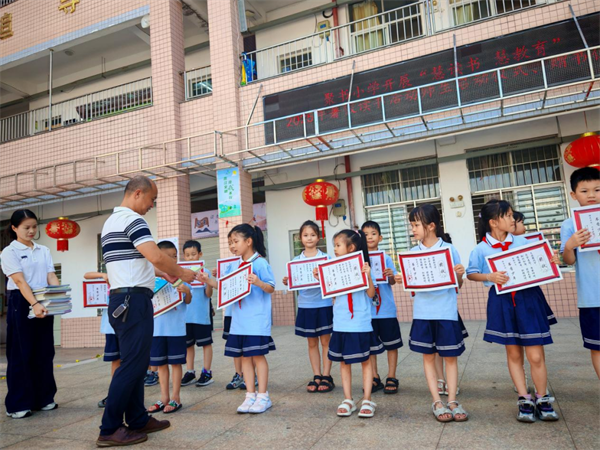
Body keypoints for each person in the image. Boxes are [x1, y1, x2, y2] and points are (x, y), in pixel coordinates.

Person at [98, 176, 196, 447]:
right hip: (133, 301)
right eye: (152, 199)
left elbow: (139, 264)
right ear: (138, 193)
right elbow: (155, 256)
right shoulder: (133, 220)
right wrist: (182, 272)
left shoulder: (111, 222)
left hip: (124, 299)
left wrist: (167, 275)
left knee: (137, 362)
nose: (152, 205)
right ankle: (109, 428)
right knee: (132, 365)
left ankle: (137, 418)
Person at [467, 199, 559, 423]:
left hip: (528, 300)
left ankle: (543, 397)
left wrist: (551, 260)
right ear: (493, 222)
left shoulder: (523, 241)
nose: (512, 219)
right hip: (502, 302)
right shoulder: (481, 248)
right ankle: (524, 398)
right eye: (507, 215)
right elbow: (471, 273)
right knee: (514, 354)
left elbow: (539, 264)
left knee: (535, 355)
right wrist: (489, 276)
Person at [394, 205, 468, 422]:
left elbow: (458, 285)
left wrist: (460, 275)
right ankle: (437, 401)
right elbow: (412, 285)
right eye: (412, 225)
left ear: (431, 225)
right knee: (428, 357)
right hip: (423, 313)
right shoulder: (412, 254)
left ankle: (452, 400)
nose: (413, 229)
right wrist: (402, 279)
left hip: (446, 312)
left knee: (450, 358)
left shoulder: (449, 249)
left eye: (416, 225)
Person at [199, 224, 275, 414]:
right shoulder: (233, 265)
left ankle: (263, 396)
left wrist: (258, 282)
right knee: (245, 358)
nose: (232, 246)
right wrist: (207, 280)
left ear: (248, 241)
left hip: (256, 320)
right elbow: (224, 286)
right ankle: (250, 395)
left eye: (235, 241)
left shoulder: (260, 263)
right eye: (230, 242)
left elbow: (271, 287)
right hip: (239, 320)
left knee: (258, 356)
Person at [1, 209, 60, 419]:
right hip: (21, 300)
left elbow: (51, 275)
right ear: (14, 228)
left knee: (44, 351)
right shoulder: (9, 252)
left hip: (44, 298)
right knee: (20, 352)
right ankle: (18, 404)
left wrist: (58, 298)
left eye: (34, 226)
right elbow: (19, 281)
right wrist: (34, 303)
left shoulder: (43, 249)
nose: (32, 231)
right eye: (26, 227)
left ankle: (43, 398)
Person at [320, 229, 384, 418]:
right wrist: (320, 277)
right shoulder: (333, 267)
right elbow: (330, 292)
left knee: (365, 361)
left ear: (351, 247)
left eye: (338, 245)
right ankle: (348, 399)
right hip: (341, 322)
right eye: (334, 245)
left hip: (360, 322)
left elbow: (371, 294)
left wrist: (368, 275)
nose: (335, 249)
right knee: (343, 362)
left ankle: (367, 399)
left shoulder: (363, 266)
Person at [282, 220, 334, 393]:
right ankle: (317, 375)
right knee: (312, 343)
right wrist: (288, 281)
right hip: (306, 306)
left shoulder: (326, 259)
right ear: (300, 238)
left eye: (313, 235)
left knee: (326, 342)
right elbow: (294, 282)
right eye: (305, 235)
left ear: (319, 237)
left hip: (324, 304)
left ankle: (327, 375)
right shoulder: (296, 261)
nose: (309, 238)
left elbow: (333, 281)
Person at [560, 167, 600, 379]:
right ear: (573, 194)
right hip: (592, 297)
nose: (591, 195)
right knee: (597, 347)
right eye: (584, 191)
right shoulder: (569, 224)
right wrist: (570, 245)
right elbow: (569, 260)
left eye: (597, 189)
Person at [511, 210, 556, 394]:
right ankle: (522, 385)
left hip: (530, 298)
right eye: (520, 222)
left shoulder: (529, 243)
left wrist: (551, 260)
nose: (522, 226)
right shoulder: (493, 247)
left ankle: (540, 389)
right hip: (512, 301)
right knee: (515, 350)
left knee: (535, 346)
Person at [147, 241, 192, 414]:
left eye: (175, 256)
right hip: (156, 330)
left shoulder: (180, 275)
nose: (173, 260)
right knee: (161, 365)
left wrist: (186, 291)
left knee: (175, 363)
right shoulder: (151, 278)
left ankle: (176, 398)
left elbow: (188, 300)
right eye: (168, 256)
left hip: (176, 330)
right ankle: (164, 398)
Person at [361, 220, 402, 395]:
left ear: (380, 237)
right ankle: (374, 376)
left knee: (391, 345)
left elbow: (392, 282)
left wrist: (391, 275)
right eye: (365, 234)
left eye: (373, 233)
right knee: (371, 347)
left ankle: (391, 376)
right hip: (367, 311)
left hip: (386, 310)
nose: (369, 237)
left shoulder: (385, 257)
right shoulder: (359, 259)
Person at [180, 240, 215, 387]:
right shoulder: (182, 273)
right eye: (187, 255)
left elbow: (208, 294)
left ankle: (207, 372)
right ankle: (190, 372)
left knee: (206, 344)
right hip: (186, 316)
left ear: (200, 254)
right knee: (188, 345)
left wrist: (207, 282)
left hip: (201, 316)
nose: (190, 257)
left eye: (193, 254)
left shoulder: (205, 272)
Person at [83, 271, 119, 408]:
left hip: (128, 325)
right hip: (111, 327)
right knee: (115, 360)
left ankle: (128, 393)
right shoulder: (107, 276)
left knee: (129, 360)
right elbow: (87, 275)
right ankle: (114, 393)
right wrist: (103, 275)